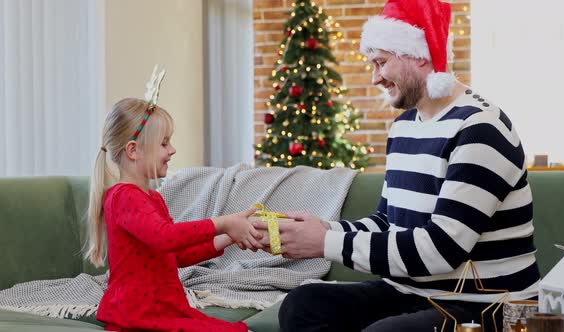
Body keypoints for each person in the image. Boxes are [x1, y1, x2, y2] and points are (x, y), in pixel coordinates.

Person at [253, 0, 540, 331]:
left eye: (381, 62)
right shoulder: (405, 126)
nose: (375, 78)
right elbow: (387, 222)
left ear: (418, 56)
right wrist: (322, 229)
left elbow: (442, 249)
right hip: (410, 290)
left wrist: (324, 243)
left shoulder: (479, 128)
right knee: (304, 306)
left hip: (486, 304)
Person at [85, 67, 262, 332]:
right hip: (140, 315)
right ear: (133, 150)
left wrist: (228, 237)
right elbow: (166, 236)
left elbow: (176, 254)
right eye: (164, 143)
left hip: (165, 309)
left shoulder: (152, 198)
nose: (172, 150)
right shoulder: (123, 197)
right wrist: (223, 223)